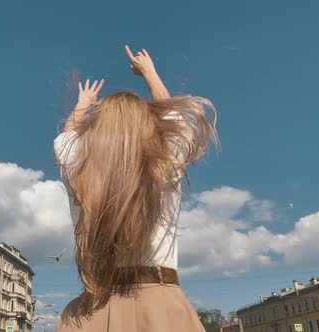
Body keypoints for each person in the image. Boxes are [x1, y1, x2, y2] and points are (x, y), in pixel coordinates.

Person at [53, 46, 219, 331]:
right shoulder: (166, 158)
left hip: (91, 310)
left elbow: (68, 136)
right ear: (149, 127)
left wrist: (84, 103)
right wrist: (149, 72)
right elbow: (174, 118)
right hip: (162, 308)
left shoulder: (78, 167)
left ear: (95, 132)